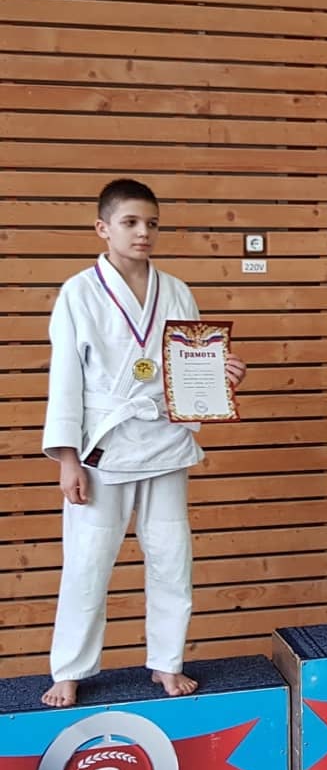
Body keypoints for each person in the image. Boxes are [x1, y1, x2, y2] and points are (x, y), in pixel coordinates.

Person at [41, 178, 246, 708]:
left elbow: (188, 370)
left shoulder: (175, 290)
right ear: (102, 228)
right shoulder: (79, 292)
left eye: (151, 223)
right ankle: (70, 669)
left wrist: (221, 376)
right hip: (104, 445)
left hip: (164, 441)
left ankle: (167, 662)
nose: (143, 232)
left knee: (172, 557)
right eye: (130, 222)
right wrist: (68, 460)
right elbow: (65, 380)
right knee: (88, 562)